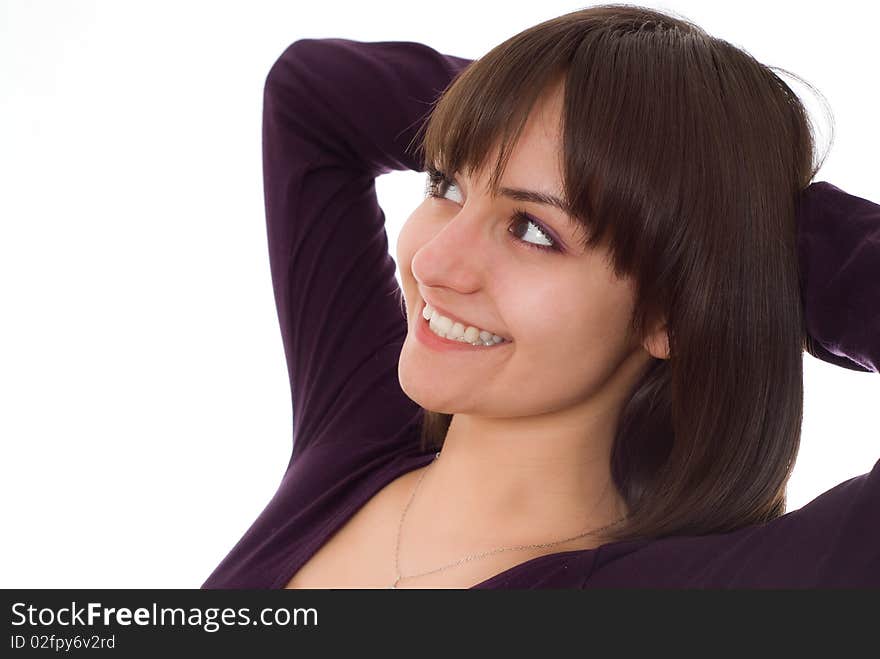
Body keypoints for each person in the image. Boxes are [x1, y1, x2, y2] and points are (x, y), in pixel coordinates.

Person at [201, 4, 879, 589]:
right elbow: (314, 94)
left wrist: (736, 235)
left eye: (533, 230)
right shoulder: (359, 436)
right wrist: (552, 116)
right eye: (447, 185)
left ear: (671, 306)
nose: (435, 262)